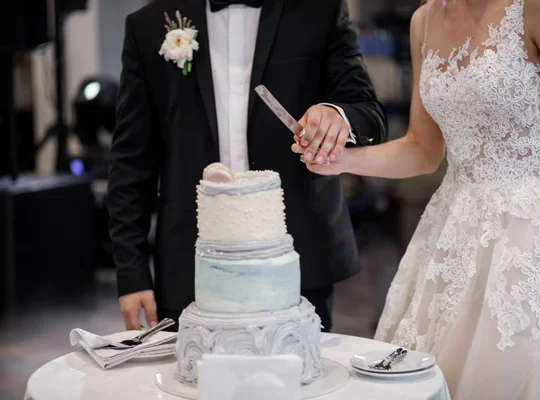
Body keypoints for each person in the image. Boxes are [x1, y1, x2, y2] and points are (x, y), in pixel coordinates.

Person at [295, 0, 540, 397]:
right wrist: (339, 160)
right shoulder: (424, 20)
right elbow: (423, 149)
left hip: (534, 239)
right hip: (451, 235)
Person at [107, 0, 387, 333]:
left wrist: (336, 116)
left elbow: (368, 114)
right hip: (189, 262)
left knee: (299, 380)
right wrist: (132, 271)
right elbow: (130, 161)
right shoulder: (150, 24)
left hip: (297, 258)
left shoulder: (319, 11)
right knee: (190, 382)